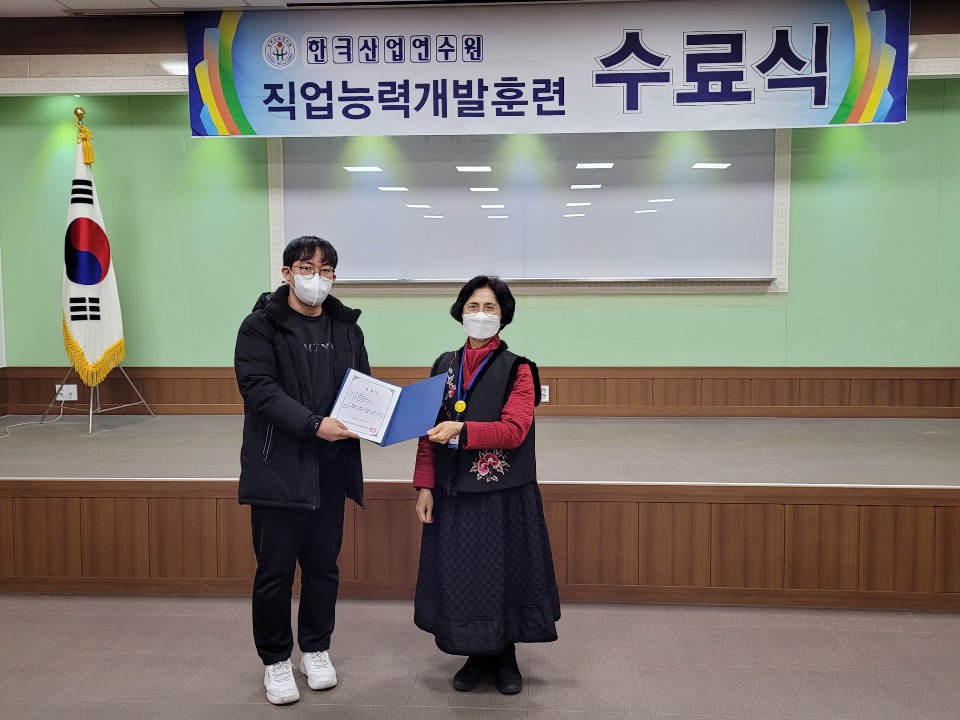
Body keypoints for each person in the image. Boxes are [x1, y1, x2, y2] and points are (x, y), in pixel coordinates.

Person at [234, 235, 370, 705]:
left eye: (326, 270)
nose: (317, 278)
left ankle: (315, 648)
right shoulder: (260, 326)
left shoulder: (346, 327)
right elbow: (259, 389)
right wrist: (314, 425)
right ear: (288, 273)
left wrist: (374, 418)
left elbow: (361, 387)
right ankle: (275, 660)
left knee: (322, 567)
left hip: (331, 468)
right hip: (278, 467)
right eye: (307, 269)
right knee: (274, 571)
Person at [412, 275, 560, 695]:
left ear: (503, 315)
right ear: (460, 312)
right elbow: (427, 431)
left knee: (503, 574)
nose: (480, 314)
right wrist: (425, 486)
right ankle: (475, 655)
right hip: (452, 491)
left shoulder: (519, 369)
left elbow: (514, 431)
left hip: (503, 493)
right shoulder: (443, 365)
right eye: (473, 306)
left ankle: (505, 656)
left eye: (490, 307)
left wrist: (462, 430)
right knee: (465, 574)